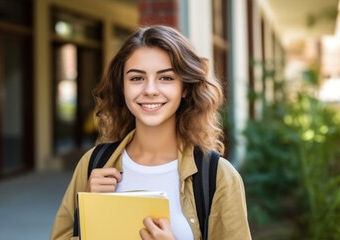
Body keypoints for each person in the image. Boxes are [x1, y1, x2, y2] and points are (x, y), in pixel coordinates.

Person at [51, 25, 251, 240]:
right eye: (137, 78)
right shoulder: (93, 163)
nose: (150, 90)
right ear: (122, 87)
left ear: (185, 88)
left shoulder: (217, 175)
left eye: (166, 78)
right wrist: (89, 208)